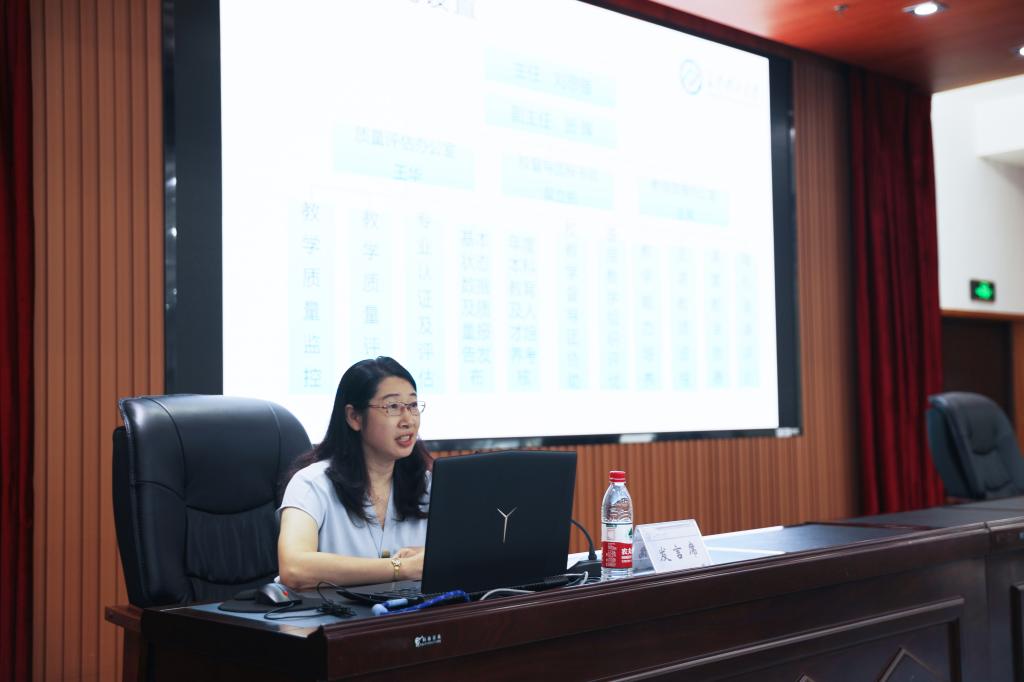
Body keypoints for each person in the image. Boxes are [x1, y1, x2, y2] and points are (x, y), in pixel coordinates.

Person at [277, 357, 432, 588]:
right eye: (392, 407)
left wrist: (429, 556)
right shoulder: (311, 484)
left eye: (412, 405)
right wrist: (401, 568)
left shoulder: (427, 484)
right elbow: (294, 568)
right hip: (332, 611)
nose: (408, 420)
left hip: (412, 610)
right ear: (354, 417)